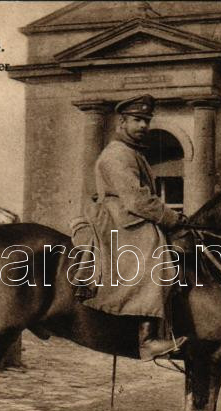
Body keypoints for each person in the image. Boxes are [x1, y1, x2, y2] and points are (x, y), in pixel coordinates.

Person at [81, 94, 188, 361]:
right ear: (122, 122)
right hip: (121, 217)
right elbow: (136, 199)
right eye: (137, 120)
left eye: (146, 121)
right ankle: (146, 338)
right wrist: (171, 217)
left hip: (126, 213)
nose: (143, 126)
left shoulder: (131, 152)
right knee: (152, 245)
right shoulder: (117, 154)